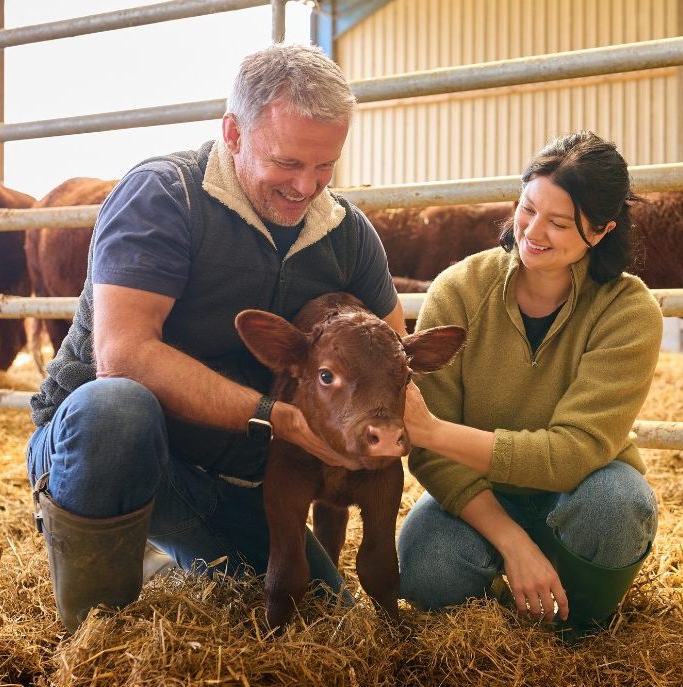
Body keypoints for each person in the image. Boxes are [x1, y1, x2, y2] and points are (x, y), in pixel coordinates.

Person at [26, 44, 406, 634]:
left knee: (323, 613)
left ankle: (165, 549)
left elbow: (392, 359)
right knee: (117, 409)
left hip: (231, 480)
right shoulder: (163, 196)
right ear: (233, 132)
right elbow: (123, 355)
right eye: (287, 163)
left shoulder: (348, 234)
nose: (307, 186)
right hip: (107, 449)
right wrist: (275, 419)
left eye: (325, 165)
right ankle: (94, 631)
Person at [398, 131, 663, 640]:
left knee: (618, 508)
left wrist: (431, 432)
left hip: (581, 489)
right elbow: (432, 455)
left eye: (559, 223)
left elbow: (573, 452)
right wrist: (513, 541)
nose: (533, 231)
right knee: (425, 571)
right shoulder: (459, 289)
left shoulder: (628, 311)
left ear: (602, 230)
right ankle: (518, 573)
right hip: (483, 495)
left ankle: (576, 623)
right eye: (527, 208)